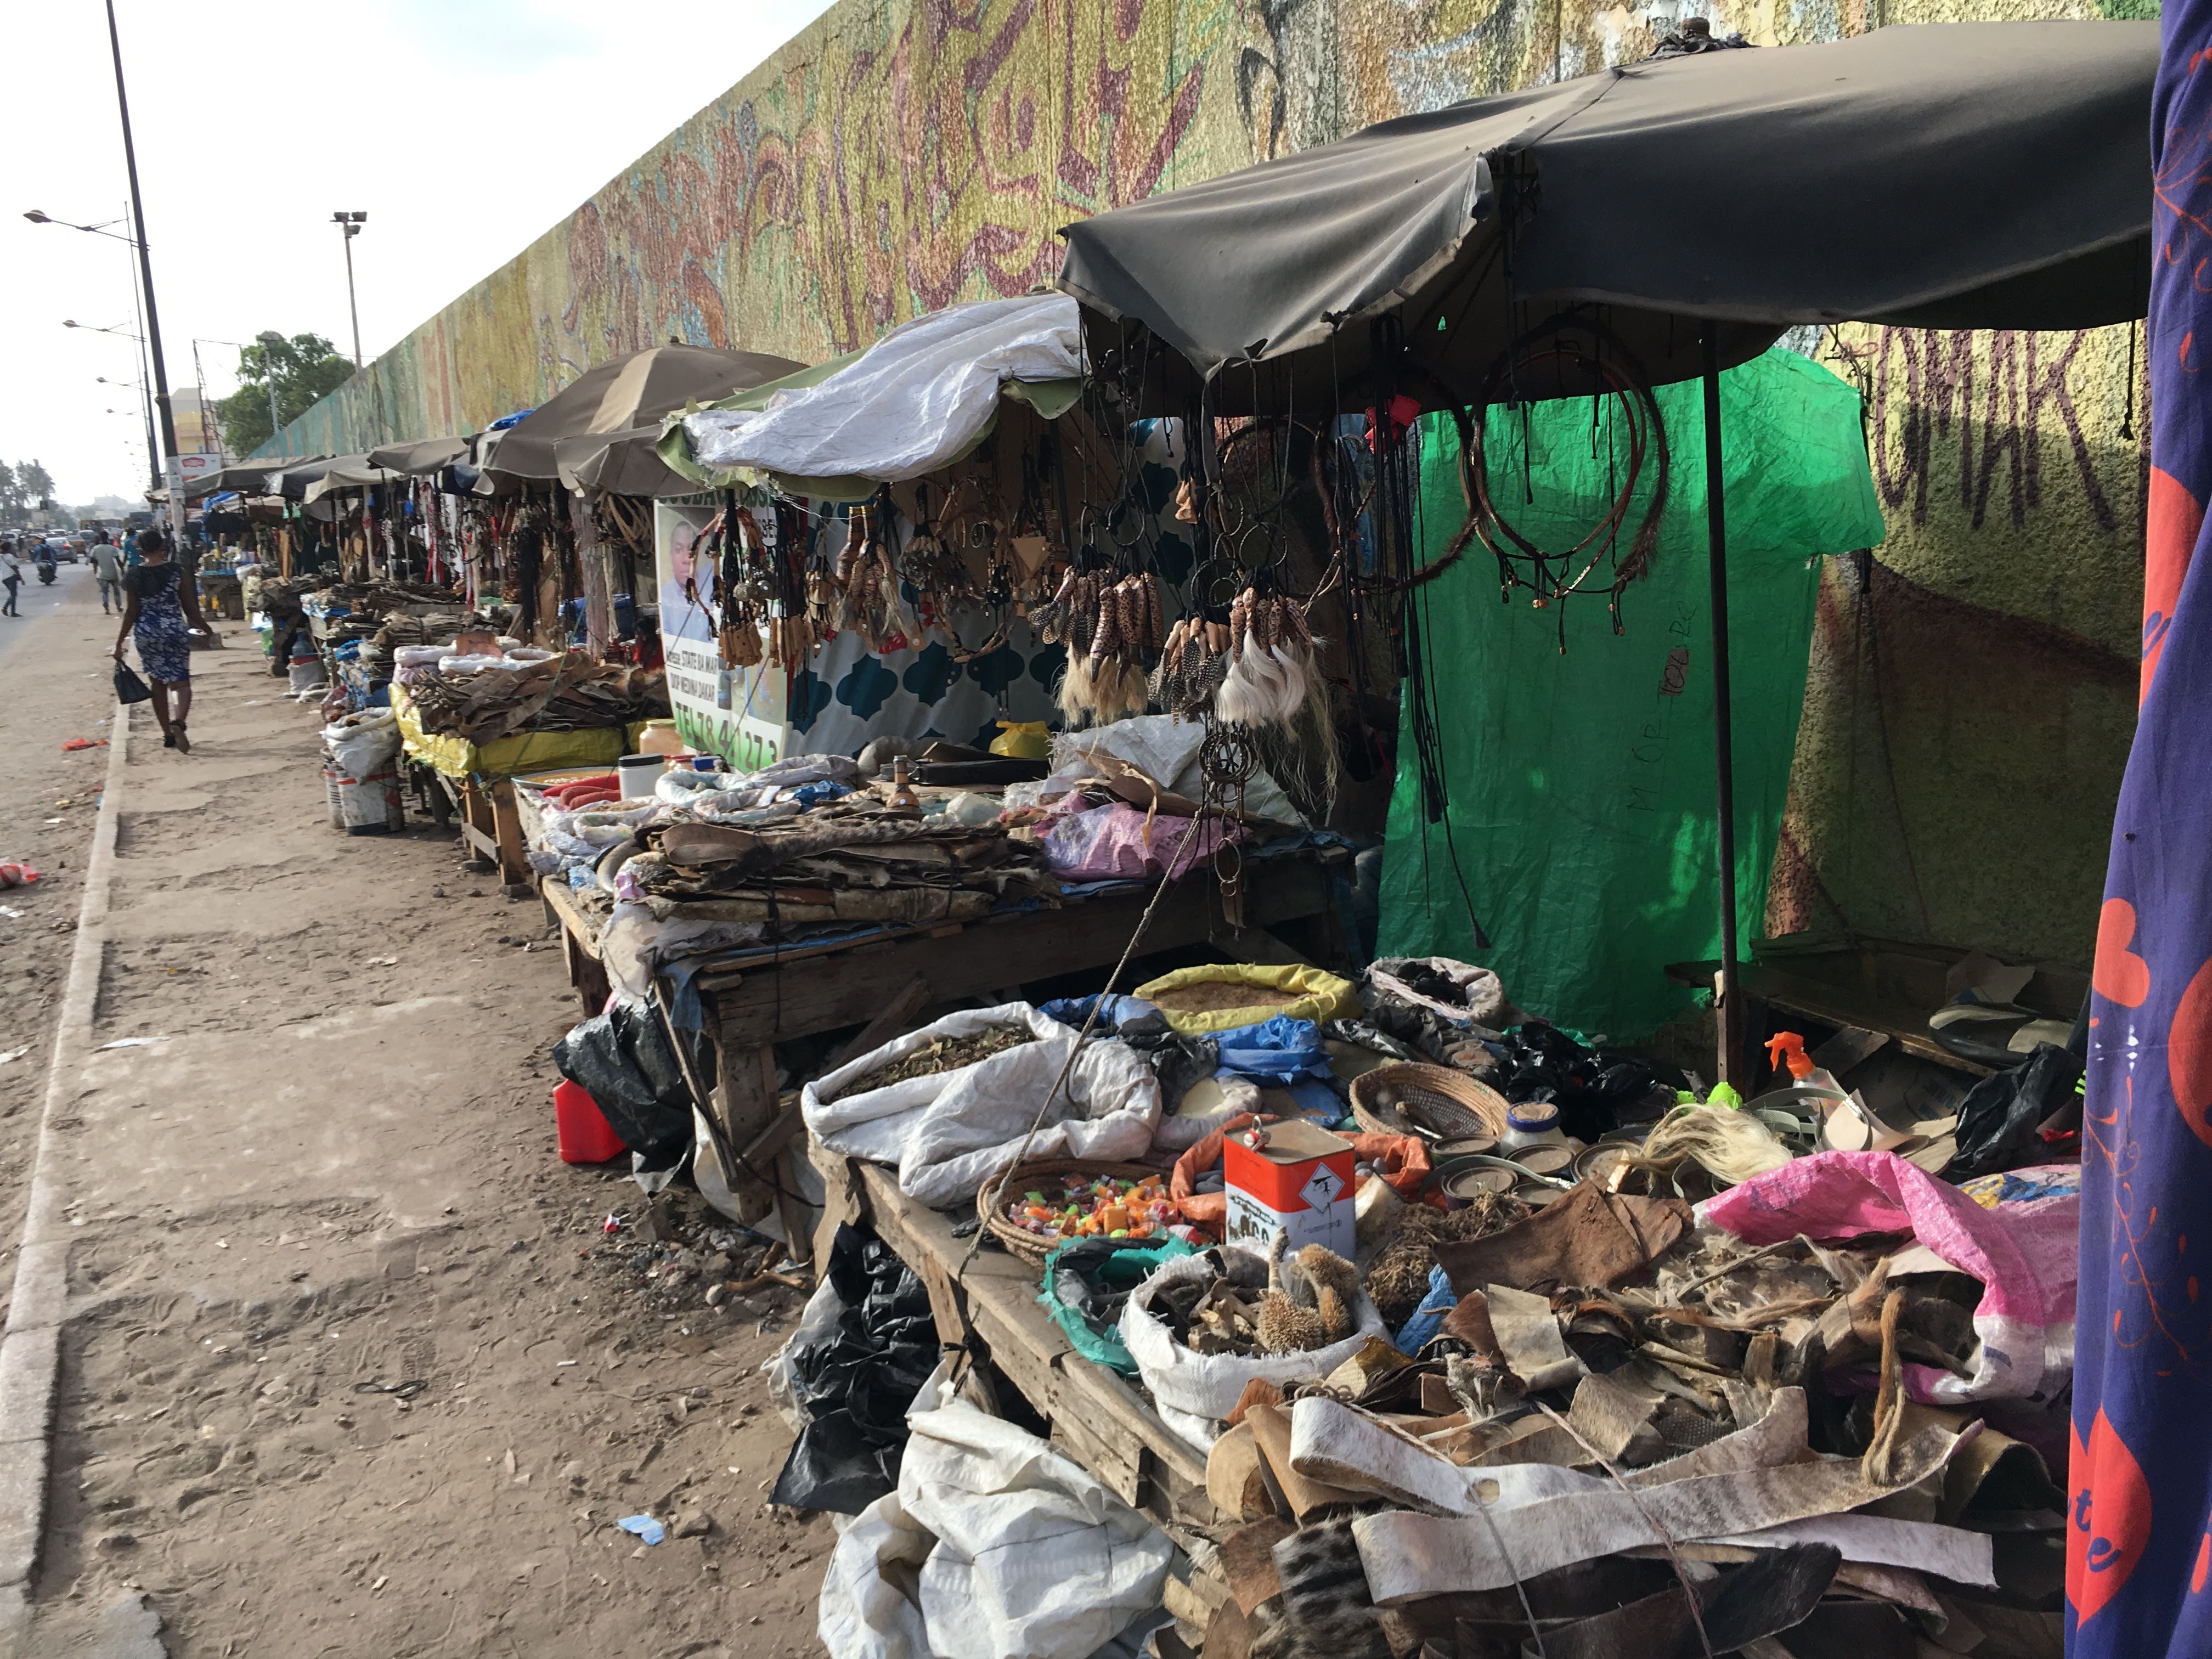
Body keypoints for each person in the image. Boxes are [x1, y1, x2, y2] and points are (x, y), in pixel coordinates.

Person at [112, 528, 208, 752]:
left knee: (158, 683)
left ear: (141, 549)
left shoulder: (134, 575)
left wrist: (119, 643)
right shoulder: (177, 572)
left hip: (147, 633)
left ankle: (167, 733)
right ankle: (180, 722)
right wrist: (206, 629)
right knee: (181, 682)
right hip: (174, 630)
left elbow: (132, 612)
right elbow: (189, 607)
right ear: (162, 548)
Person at [89, 532, 124, 615]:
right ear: (108, 538)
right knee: (116, 591)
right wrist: (122, 569)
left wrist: (96, 572)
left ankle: (107, 609)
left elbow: (93, 561)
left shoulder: (95, 549)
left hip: (102, 573)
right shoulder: (112, 548)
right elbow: (118, 561)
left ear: (100, 538)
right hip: (113, 573)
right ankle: (119, 607)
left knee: (105, 592)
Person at [1, 542, 20, 617]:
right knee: (13, 595)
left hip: (4, 578)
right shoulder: (10, 556)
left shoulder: (1, 557)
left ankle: (9, 610)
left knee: (13, 594)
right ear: (9, 548)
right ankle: (9, 610)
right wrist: (20, 577)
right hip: (11, 576)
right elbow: (14, 567)